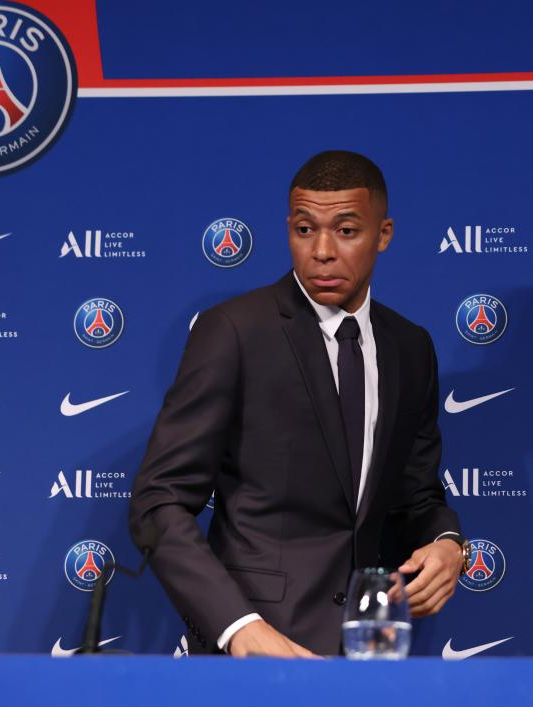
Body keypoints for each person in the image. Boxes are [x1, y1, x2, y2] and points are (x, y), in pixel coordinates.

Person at [128, 150, 467, 658]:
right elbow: (158, 503)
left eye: (347, 231)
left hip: (370, 652)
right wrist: (238, 627)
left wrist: (446, 543)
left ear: (384, 234)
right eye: (305, 229)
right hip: (255, 652)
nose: (322, 251)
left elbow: (413, 496)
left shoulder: (410, 347)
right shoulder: (236, 332)